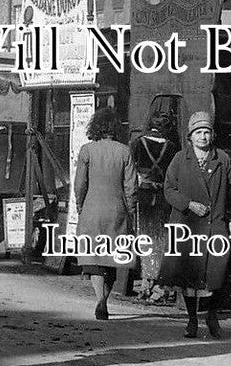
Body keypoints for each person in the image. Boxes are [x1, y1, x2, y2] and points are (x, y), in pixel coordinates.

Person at [158, 111, 231, 339]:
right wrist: (188, 204)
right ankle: (192, 319)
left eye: (207, 132)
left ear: (212, 135)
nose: (203, 137)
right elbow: (169, 189)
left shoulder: (222, 158)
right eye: (198, 132)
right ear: (190, 136)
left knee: (218, 272)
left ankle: (212, 315)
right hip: (187, 224)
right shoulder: (180, 159)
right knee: (189, 275)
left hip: (214, 223)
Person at [73, 107, 137, 320]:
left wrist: (80, 205)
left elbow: (80, 184)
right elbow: (131, 187)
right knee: (112, 259)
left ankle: (99, 299)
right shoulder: (125, 151)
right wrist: (130, 211)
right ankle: (104, 300)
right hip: (117, 210)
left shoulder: (87, 150)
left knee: (94, 259)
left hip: (92, 209)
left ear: (95, 127)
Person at [129, 111, 179, 298]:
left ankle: (145, 282)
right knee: (161, 238)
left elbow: (131, 169)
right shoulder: (171, 147)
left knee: (143, 235)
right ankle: (158, 283)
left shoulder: (138, 143)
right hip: (163, 196)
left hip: (143, 194)